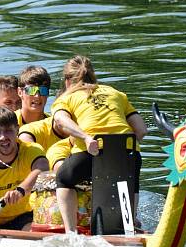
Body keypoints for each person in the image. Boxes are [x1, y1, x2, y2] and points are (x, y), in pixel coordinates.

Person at [51, 55, 147, 233]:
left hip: (91, 150)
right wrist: (120, 150)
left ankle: (71, 233)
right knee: (129, 181)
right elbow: (141, 130)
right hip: (128, 150)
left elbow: (60, 119)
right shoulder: (116, 93)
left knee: (63, 178)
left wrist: (86, 137)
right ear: (93, 76)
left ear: (67, 80)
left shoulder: (67, 97)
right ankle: (129, 226)